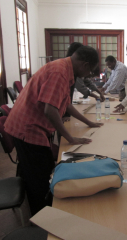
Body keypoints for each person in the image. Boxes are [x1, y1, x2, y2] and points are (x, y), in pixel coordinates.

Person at [4, 46, 103, 216]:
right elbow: (50, 111)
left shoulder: (63, 68)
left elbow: (65, 104)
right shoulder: (60, 73)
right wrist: (70, 138)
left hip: (28, 125)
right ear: (85, 65)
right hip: (29, 129)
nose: (88, 75)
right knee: (41, 179)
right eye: (90, 71)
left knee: (39, 171)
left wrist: (88, 122)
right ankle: (42, 219)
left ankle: (40, 209)